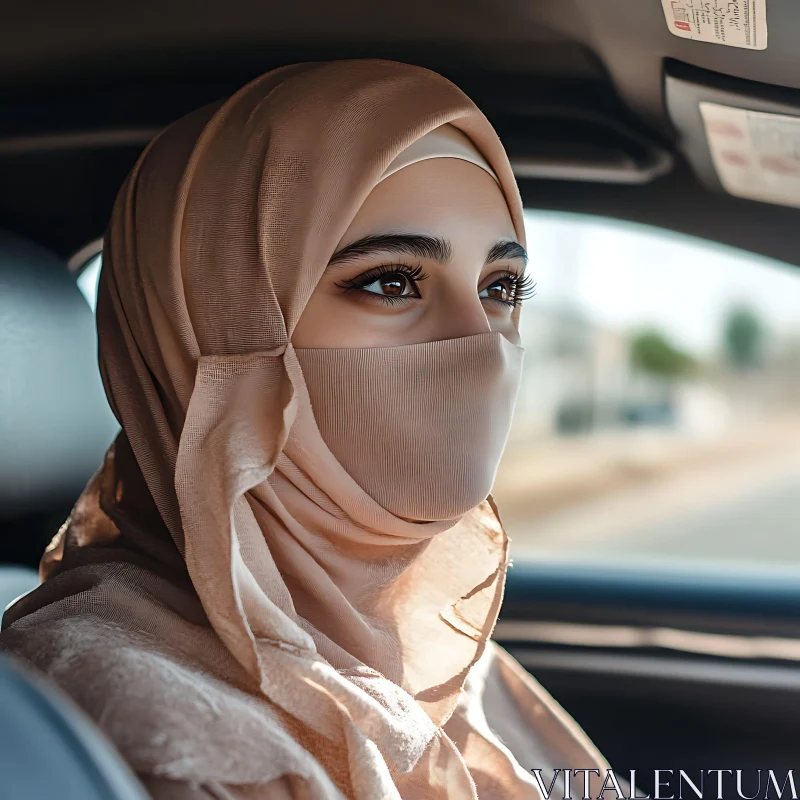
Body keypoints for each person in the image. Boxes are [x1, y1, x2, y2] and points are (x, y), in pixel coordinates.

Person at [0, 60, 611, 799]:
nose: (480, 343)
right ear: (212, 334)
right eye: (391, 281)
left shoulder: (430, 643)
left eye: (500, 288)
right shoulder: (133, 722)